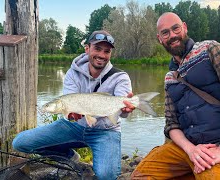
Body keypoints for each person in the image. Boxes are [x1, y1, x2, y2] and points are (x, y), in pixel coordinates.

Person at [131, 12, 220, 179]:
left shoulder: (211, 49)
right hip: (186, 147)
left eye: (176, 29)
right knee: (139, 176)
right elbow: (171, 125)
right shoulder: (170, 77)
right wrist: (191, 150)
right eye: (165, 32)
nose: (172, 35)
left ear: (184, 27)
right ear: (159, 39)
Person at [13, 30, 135, 179]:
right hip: (74, 127)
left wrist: (127, 109)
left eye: (107, 51)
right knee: (20, 142)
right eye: (97, 49)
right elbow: (71, 113)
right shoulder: (73, 72)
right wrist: (71, 116)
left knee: (106, 175)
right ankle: (69, 156)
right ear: (87, 48)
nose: (102, 55)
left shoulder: (121, 77)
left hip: (106, 131)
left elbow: (123, 113)